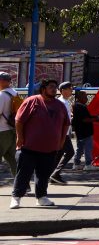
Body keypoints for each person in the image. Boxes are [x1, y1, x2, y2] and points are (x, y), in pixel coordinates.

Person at [10, 79, 70, 209]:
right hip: (28, 147)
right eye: (51, 87)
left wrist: (62, 140)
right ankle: (16, 198)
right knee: (23, 174)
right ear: (43, 89)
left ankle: (41, 197)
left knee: (43, 175)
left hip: (50, 148)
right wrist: (19, 137)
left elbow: (66, 123)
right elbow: (19, 121)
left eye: (55, 87)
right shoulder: (32, 101)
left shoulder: (59, 105)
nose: (54, 89)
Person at [50, 81, 75, 185]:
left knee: (59, 153)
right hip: (62, 132)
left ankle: (53, 174)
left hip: (63, 131)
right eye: (70, 89)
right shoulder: (62, 102)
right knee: (70, 152)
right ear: (63, 90)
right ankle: (55, 173)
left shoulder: (65, 102)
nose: (71, 91)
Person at [72, 90, 99, 169]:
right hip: (86, 131)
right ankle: (88, 164)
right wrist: (95, 119)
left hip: (79, 131)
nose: (87, 99)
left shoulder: (75, 106)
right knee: (88, 148)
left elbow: (84, 117)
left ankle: (76, 163)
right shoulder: (82, 107)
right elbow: (84, 119)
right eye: (85, 97)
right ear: (80, 98)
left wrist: (94, 117)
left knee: (80, 148)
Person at [0, 72, 18, 175]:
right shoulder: (14, 92)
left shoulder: (2, 95)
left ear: (2, 81)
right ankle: (23, 184)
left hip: (2, 131)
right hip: (12, 129)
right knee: (12, 158)